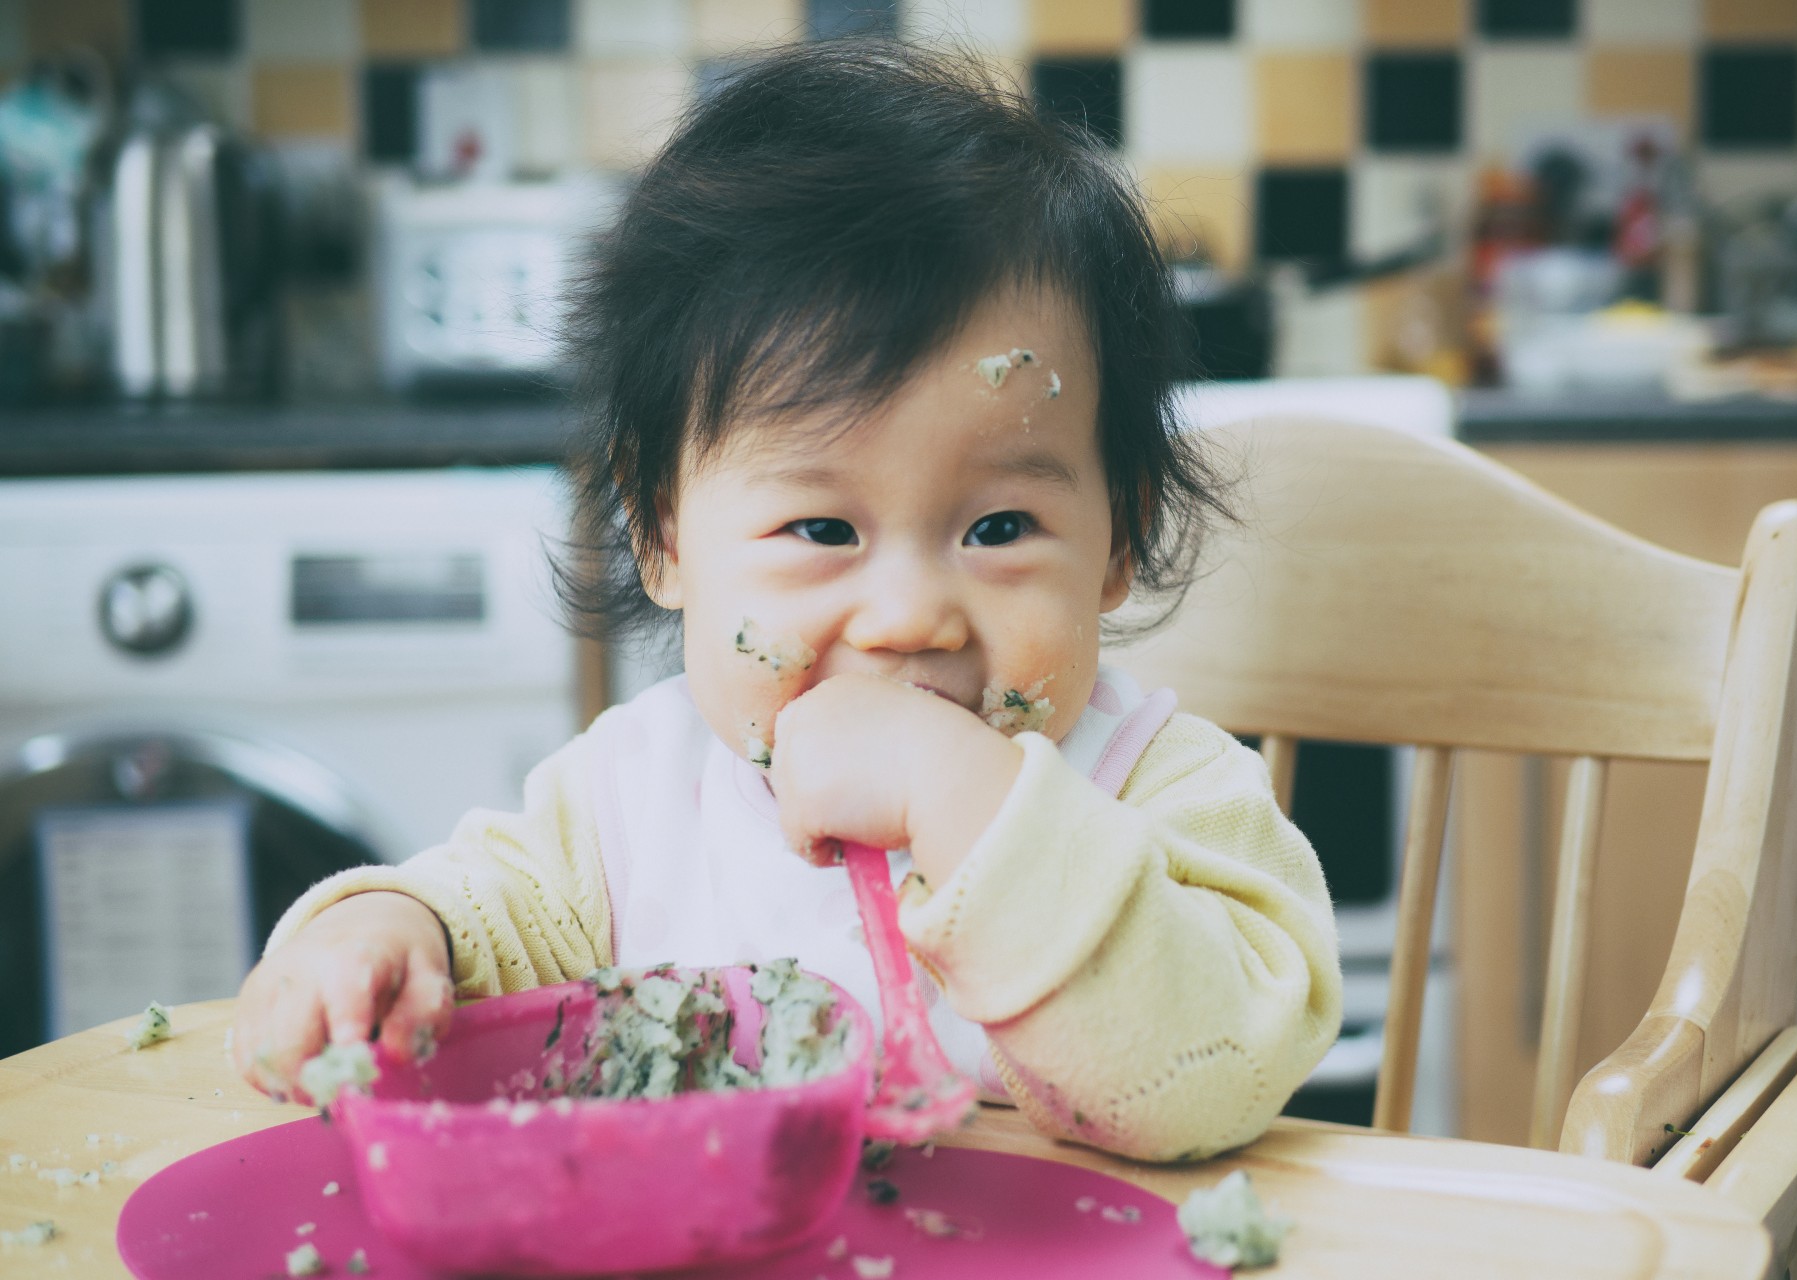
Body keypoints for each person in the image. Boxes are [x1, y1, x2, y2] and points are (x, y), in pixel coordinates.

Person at [233, 40, 1340, 1162]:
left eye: (999, 528)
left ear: (1119, 539)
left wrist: (963, 795)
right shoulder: (631, 809)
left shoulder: (1167, 794)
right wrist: (381, 933)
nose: (907, 618)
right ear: (664, 534)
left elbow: (1212, 1078)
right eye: (822, 530)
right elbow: (476, 927)